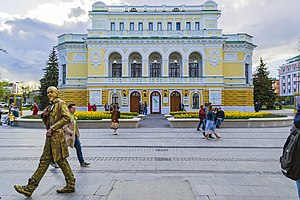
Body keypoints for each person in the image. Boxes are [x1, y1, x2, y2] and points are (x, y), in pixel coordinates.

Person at [14, 86, 75, 197]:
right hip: (51, 138)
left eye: (51, 92)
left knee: (50, 161)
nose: (49, 94)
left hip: (57, 138)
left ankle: (30, 188)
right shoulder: (50, 107)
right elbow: (47, 123)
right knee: (57, 161)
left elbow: (66, 118)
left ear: (56, 93)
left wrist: (53, 128)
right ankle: (70, 184)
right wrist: (44, 116)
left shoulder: (61, 103)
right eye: (48, 93)